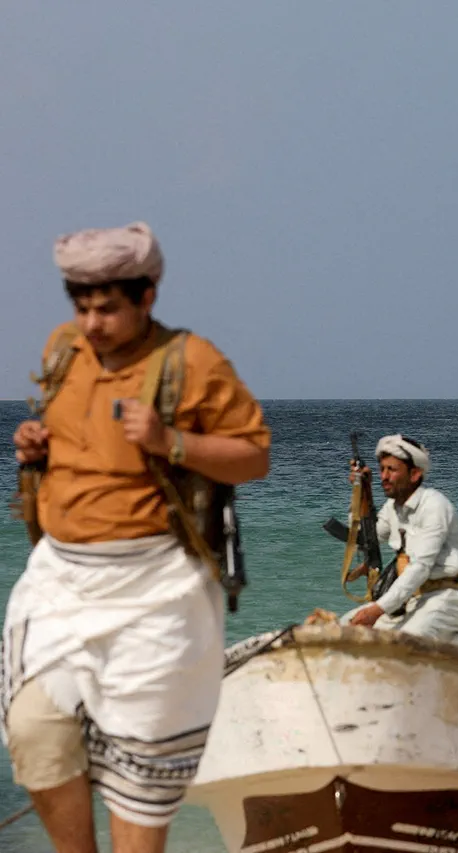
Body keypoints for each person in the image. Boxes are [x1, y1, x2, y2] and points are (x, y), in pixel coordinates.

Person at [2, 221, 271, 852]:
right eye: (83, 307)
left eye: (108, 309)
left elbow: (253, 458)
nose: (93, 324)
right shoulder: (64, 350)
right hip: (61, 580)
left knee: (140, 775)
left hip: (158, 589)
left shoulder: (191, 362)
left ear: (147, 297)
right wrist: (34, 446)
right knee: (35, 734)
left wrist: (170, 442)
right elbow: (75, 432)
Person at [337, 433, 458, 641]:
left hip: (448, 599)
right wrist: (362, 492)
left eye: (391, 470)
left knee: (405, 642)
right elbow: (365, 538)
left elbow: (419, 568)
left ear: (414, 474)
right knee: (341, 631)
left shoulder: (434, 506)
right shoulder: (393, 508)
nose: (384, 476)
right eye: (382, 469)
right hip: (410, 601)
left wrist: (378, 609)